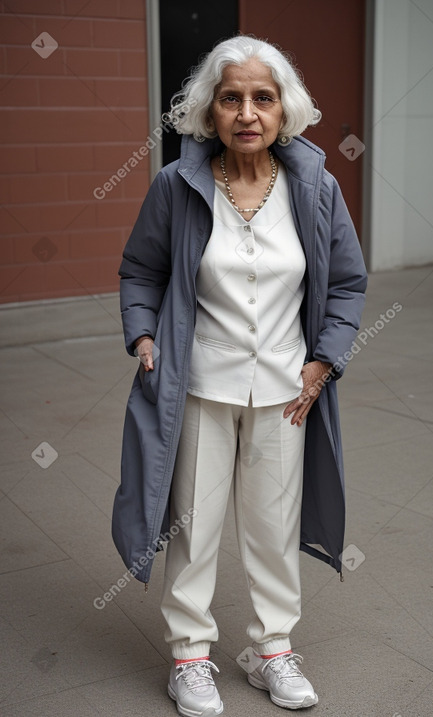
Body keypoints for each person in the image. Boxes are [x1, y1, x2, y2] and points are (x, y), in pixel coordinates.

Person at [112, 34, 367, 717]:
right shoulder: (176, 185)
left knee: (273, 525)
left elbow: (346, 283)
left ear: (285, 110)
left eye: (263, 97)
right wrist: (141, 333)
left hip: (287, 392)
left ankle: (271, 649)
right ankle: (190, 656)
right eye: (231, 98)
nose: (247, 112)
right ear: (209, 111)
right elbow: (141, 268)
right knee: (193, 526)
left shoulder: (316, 187)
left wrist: (324, 359)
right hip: (195, 386)